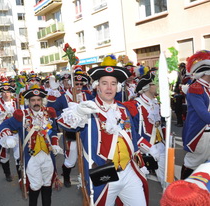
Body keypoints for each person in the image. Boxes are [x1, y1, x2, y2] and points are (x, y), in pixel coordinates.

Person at [57, 57, 149, 205]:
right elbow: (63, 123)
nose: (109, 88)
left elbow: (133, 137)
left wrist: (149, 152)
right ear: (97, 86)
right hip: (103, 174)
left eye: (113, 84)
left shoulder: (123, 109)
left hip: (129, 171)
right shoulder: (88, 108)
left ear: (117, 87)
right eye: (104, 83)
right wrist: (79, 112)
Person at [0, 84, 63, 206]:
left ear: (42, 101)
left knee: (47, 183)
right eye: (33, 100)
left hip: (48, 155)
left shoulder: (49, 113)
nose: (36, 103)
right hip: (31, 156)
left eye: (38, 100)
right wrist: (8, 136)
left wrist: (55, 144)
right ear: (28, 102)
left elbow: (53, 131)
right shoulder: (21, 115)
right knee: (35, 185)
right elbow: (4, 126)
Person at [47, 69, 94, 188]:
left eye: (80, 84)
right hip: (71, 132)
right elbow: (52, 110)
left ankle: (88, 177)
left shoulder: (87, 95)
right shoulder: (63, 97)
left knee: (89, 155)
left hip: (87, 130)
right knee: (72, 157)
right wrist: (63, 118)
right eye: (76, 84)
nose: (78, 87)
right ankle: (66, 175)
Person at [124, 72, 166, 186]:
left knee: (167, 181)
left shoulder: (157, 103)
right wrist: (149, 149)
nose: (158, 85)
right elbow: (131, 133)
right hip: (143, 150)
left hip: (161, 145)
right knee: (140, 184)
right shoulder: (133, 106)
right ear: (147, 87)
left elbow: (160, 125)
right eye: (155, 83)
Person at [181, 50, 210, 179]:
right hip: (201, 134)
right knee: (193, 163)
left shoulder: (206, 87)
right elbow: (204, 115)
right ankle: (182, 192)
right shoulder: (196, 88)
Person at [0, 79, 19, 182]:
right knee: (5, 156)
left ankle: (20, 176)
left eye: (8, 92)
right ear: (1, 93)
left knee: (19, 154)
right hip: (3, 133)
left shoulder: (17, 103)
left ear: (11, 93)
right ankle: (7, 173)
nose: (6, 94)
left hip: (17, 132)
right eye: (4, 92)